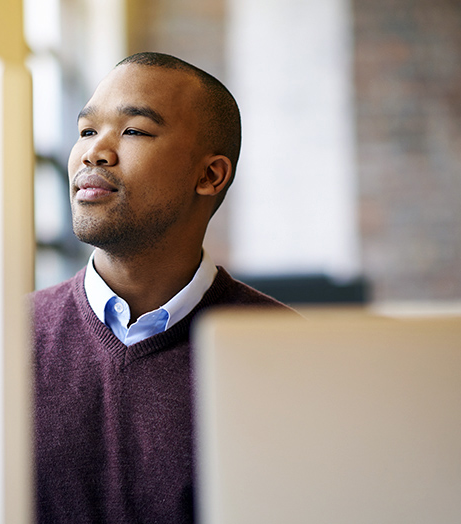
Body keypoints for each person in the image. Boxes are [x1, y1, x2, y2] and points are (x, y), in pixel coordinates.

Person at [30, 52, 293, 523]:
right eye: (87, 131)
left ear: (210, 175)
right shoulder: (5, 339)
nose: (94, 152)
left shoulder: (291, 349)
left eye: (133, 131)